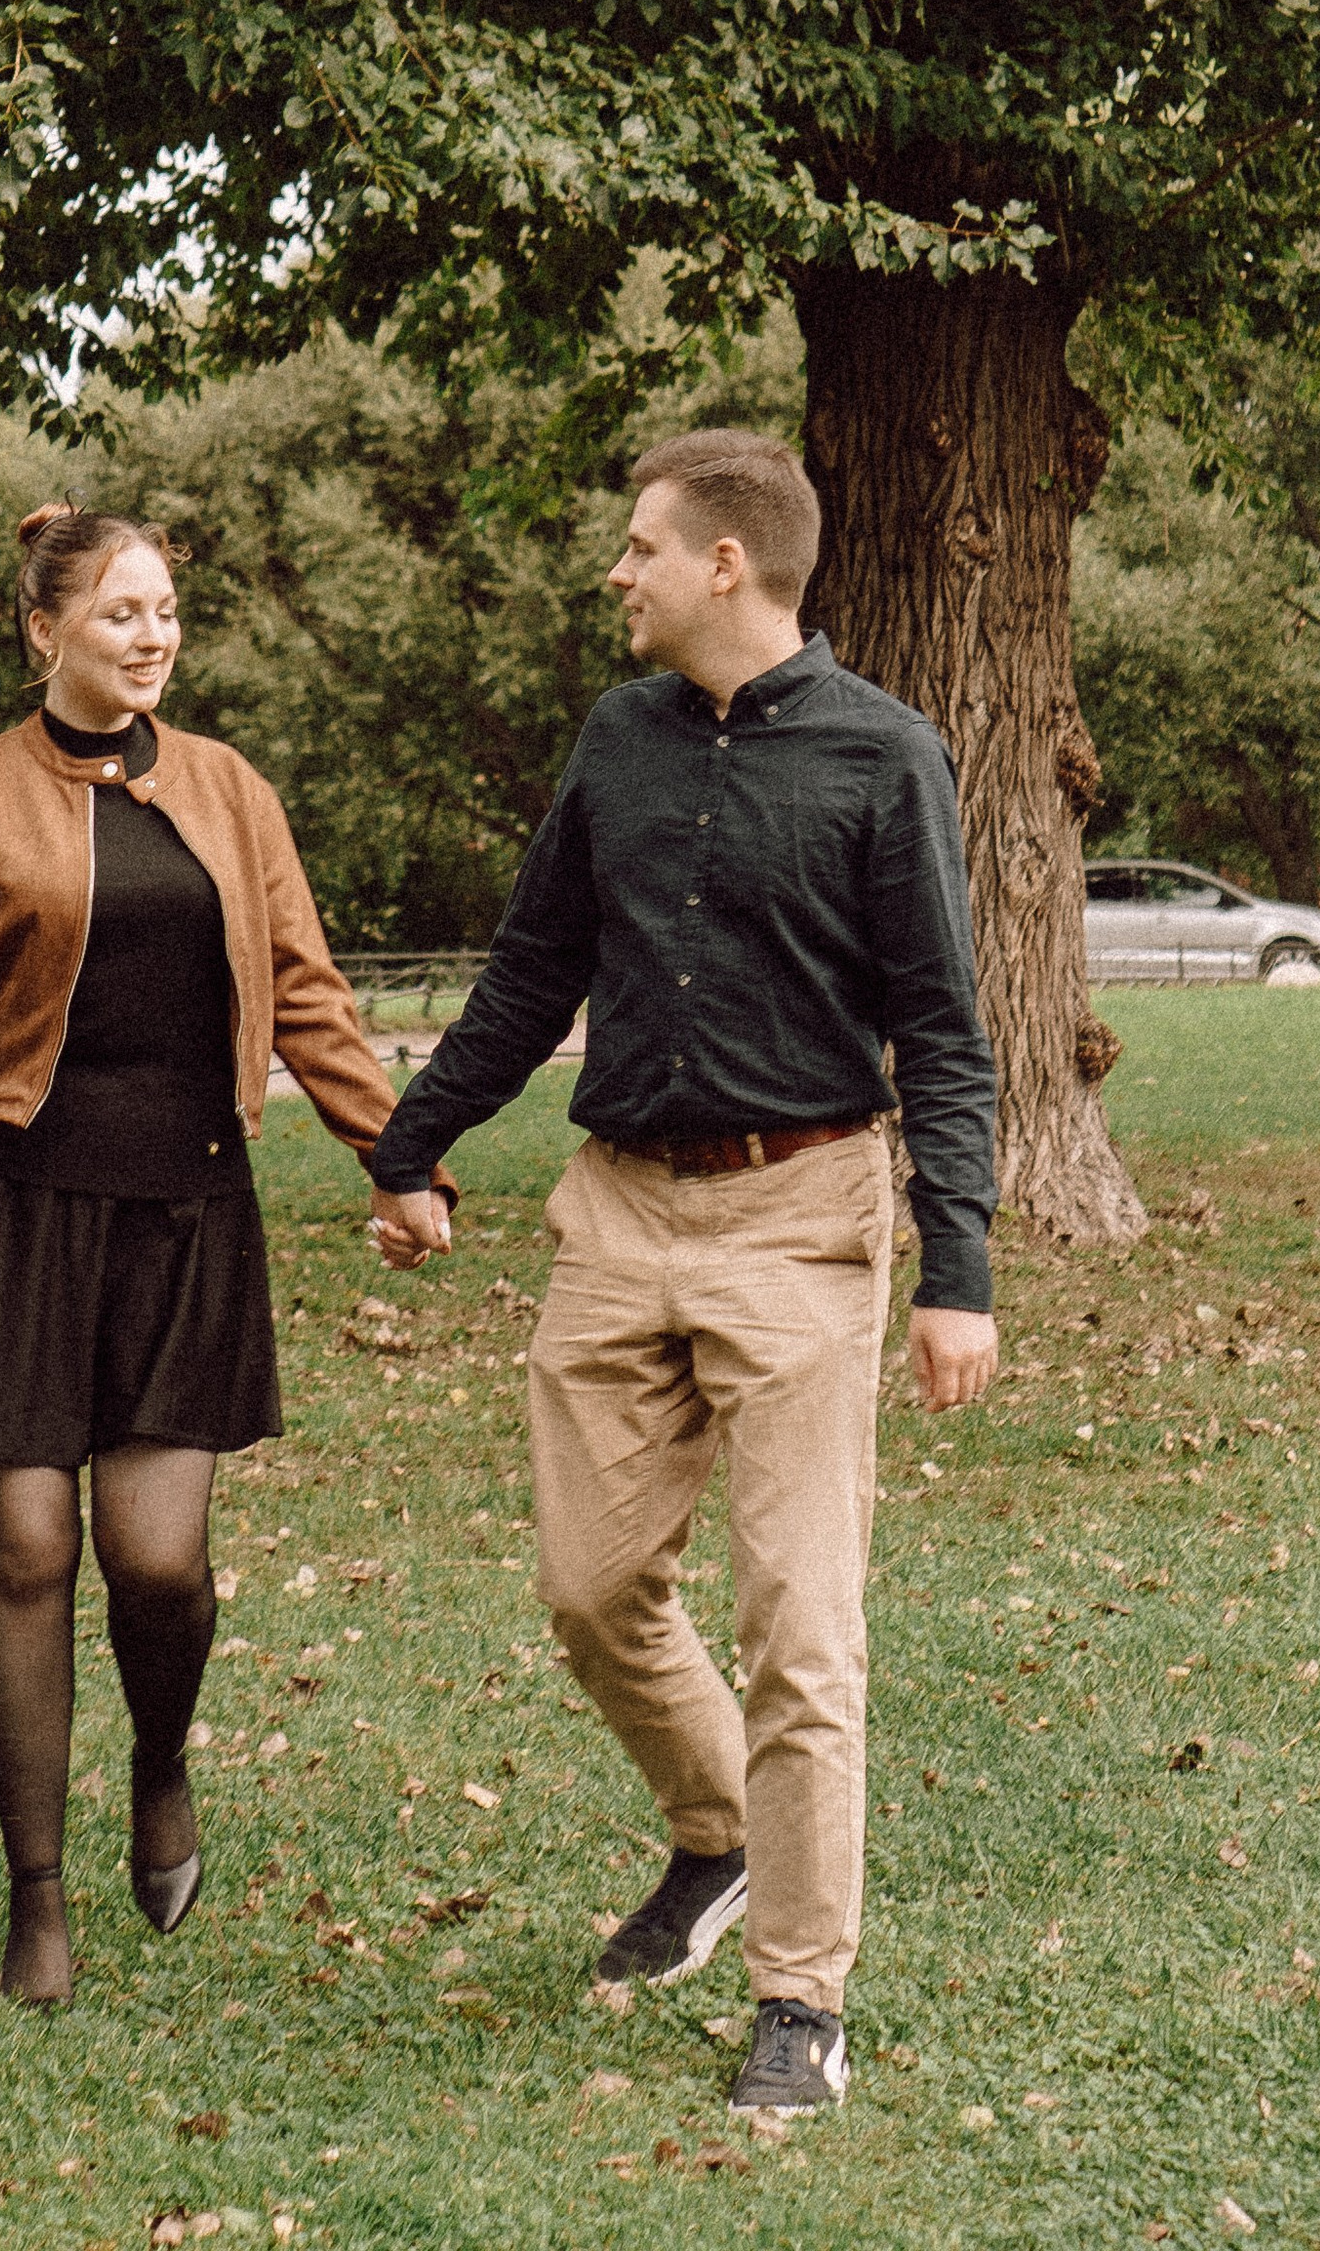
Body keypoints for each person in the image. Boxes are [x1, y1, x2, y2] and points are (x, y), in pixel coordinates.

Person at [0, 501, 444, 2005]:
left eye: (168, 611)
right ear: (44, 629)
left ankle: (165, 1765)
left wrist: (396, 1155)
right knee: (29, 1547)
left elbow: (308, 994)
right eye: (121, 612)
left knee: (158, 1560)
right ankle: (37, 1899)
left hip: (182, 1211)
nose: (152, 636)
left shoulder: (233, 794)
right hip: (10, 1211)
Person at [366, 427, 1000, 2119]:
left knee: (802, 1623)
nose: (618, 570)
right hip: (617, 1214)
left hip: (803, 1218)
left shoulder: (887, 758)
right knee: (590, 1592)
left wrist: (962, 1269)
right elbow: (532, 966)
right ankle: (716, 1839)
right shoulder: (618, 740)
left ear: (728, 562)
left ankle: (802, 1995)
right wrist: (413, 1139)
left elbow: (941, 1025)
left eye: (640, 545)